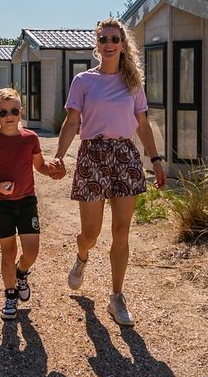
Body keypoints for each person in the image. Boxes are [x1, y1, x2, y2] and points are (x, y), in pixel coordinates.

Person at [51, 19, 167, 327]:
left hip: (125, 157)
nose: (109, 43)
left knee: (121, 231)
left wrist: (155, 159)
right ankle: (82, 254)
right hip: (93, 155)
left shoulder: (133, 83)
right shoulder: (84, 81)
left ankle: (117, 296)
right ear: (97, 44)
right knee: (91, 233)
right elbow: (71, 122)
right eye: (103, 38)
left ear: (123, 43)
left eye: (115, 38)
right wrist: (59, 156)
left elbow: (142, 124)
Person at [0, 87, 61, 320]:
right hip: (1, 204)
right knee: (8, 251)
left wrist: (50, 170)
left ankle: (21, 274)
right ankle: (10, 296)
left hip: (26, 201)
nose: (9, 115)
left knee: (31, 252)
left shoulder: (30, 138)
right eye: (3, 112)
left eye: (13, 110)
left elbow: (39, 166)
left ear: (21, 112)